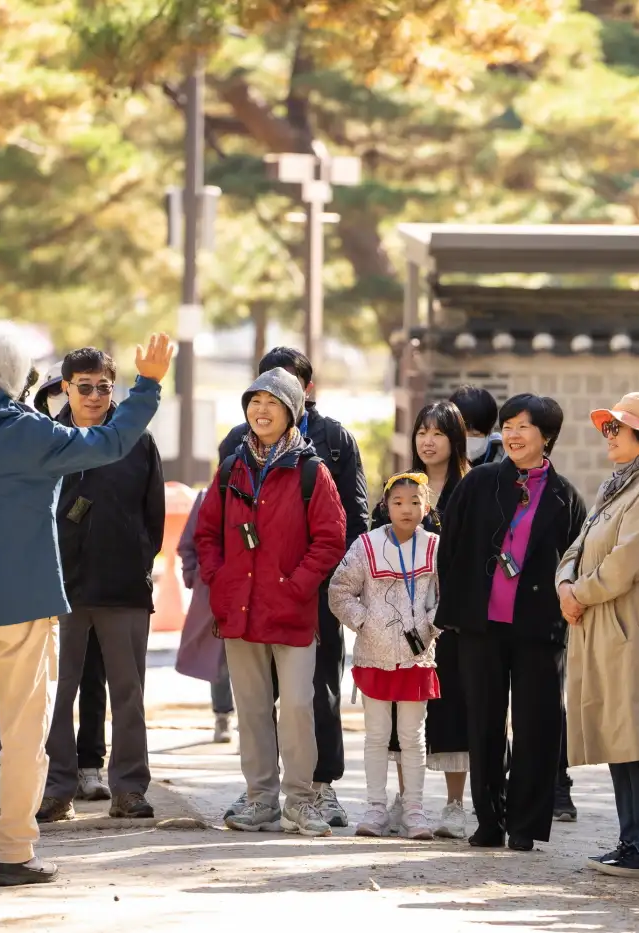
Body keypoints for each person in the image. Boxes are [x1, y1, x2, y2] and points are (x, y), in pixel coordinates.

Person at [0, 324, 174, 890]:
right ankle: (14, 853)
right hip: (25, 601)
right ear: (18, 373)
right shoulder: (29, 431)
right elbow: (109, 443)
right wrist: (146, 386)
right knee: (24, 735)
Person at [216, 348, 368, 827]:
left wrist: (307, 585)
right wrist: (221, 582)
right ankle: (260, 797)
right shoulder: (232, 456)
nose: (262, 410)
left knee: (308, 698)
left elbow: (340, 528)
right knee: (255, 705)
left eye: (274, 399)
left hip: (304, 601)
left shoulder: (319, 457)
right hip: (244, 604)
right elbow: (209, 529)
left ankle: (311, 793)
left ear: (300, 399)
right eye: (256, 398)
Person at [435, 393, 588, 852]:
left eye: (525, 426)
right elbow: (451, 550)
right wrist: (458, 611)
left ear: (548, 437)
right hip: (480, 627)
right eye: (509, 425)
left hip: (539, 631)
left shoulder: (566, 498)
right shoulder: (478, 483)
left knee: (536, 726)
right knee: (483, 722)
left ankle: (525, 825)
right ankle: (488, 819)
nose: (515, 434)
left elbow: (574, 560)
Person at [37, 348, 166, 823]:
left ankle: (129, 789)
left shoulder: (138, 440)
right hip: (59, 587)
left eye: (104, 387)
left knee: (128, 694)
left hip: (123, 587)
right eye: (84, 386)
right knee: (55, 693)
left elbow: (153, 519)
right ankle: (56, 788)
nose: (94, 396)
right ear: (65, 387)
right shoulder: (47, 439)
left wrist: (135, 559)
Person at [558, 393, 639, 879]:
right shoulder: (618, 487)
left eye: (618, 429)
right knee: (616, 731)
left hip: (633, 620)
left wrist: (578, 593)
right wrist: (566, 583)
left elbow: (626, 563)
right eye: (608, 428)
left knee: (637, 734)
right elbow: (578, 545)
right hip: (601, 617)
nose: (609, 436)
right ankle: (631, 839)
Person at [372, 401, 473, 838]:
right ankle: (405, 798)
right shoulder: (399, 488)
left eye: (438, 433)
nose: (427, 441)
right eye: (421, 432)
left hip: (449, 621)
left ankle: (454, 805)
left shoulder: (469, 490)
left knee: (452, 710)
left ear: (456, 440)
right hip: (399, 626)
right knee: (399, 714)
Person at [330, 473, 441, 840]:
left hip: (418, 655)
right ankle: (375, 809)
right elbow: (339, 591)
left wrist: (429, 627)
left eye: (414, 502)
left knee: (413, 736)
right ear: (385, 506)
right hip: (373, 655)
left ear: (426, 506)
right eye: (397, 502)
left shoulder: (436, 547)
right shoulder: (365, 545)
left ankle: (415, 811)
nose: (406, 509)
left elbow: (447, 596)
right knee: (376, 736)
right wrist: (364, 622)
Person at [177, 488, 233, 743]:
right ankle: (222, 715)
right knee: (218, 656)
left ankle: (259, 722)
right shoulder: (206, 497)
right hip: (211, 590)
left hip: (251, 589)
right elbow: (187, 543)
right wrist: (192, 575)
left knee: (252, 658)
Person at [449, 385, 505, 467]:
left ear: (489, 432)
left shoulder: (505, 459)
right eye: (461, 433)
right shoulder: (438, 457)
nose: (467, 439)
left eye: (476, 434)